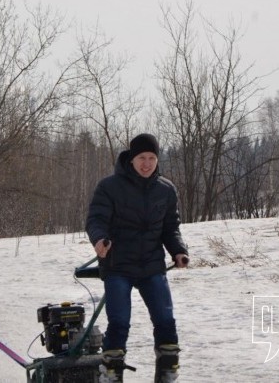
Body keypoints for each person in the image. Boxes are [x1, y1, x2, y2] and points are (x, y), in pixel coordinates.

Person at [86, 133, 189, 383]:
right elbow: (96, 220)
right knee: (119, 321)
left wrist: (178, 250)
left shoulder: (166, 190)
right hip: (117, 265)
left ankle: (167, 373)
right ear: (131, 159)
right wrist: (100, 241)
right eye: (142, 157)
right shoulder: (109, 187)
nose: (147, 163)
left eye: (152, 158)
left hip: (152, 266)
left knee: (165, 320)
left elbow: (170, 228)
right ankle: (111, 373)